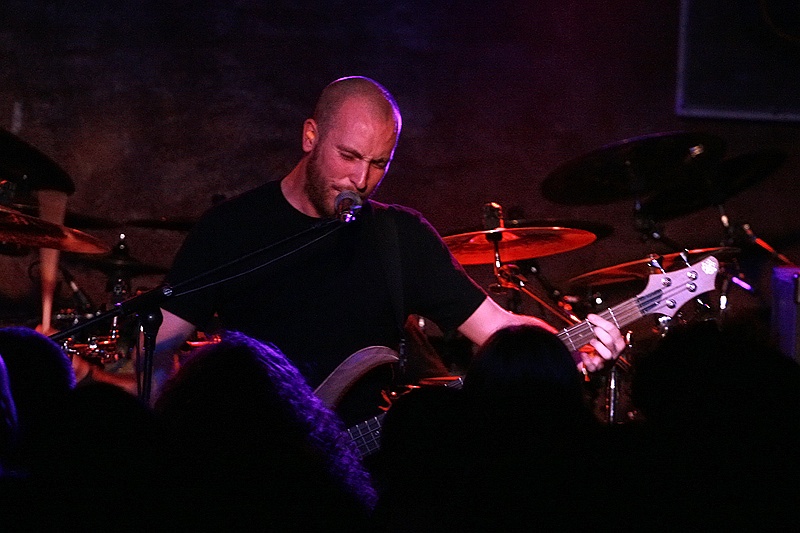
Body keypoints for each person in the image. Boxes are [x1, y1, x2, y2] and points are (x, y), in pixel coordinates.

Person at [151, 75, 626, 424]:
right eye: (350, 157)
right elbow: (157, 345)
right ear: (310, 137)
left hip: (365, 465)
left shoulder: (399, 236)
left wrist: (571, 342)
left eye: (379, 164)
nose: (361, 180)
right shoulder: (232, 227)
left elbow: (500, 330)